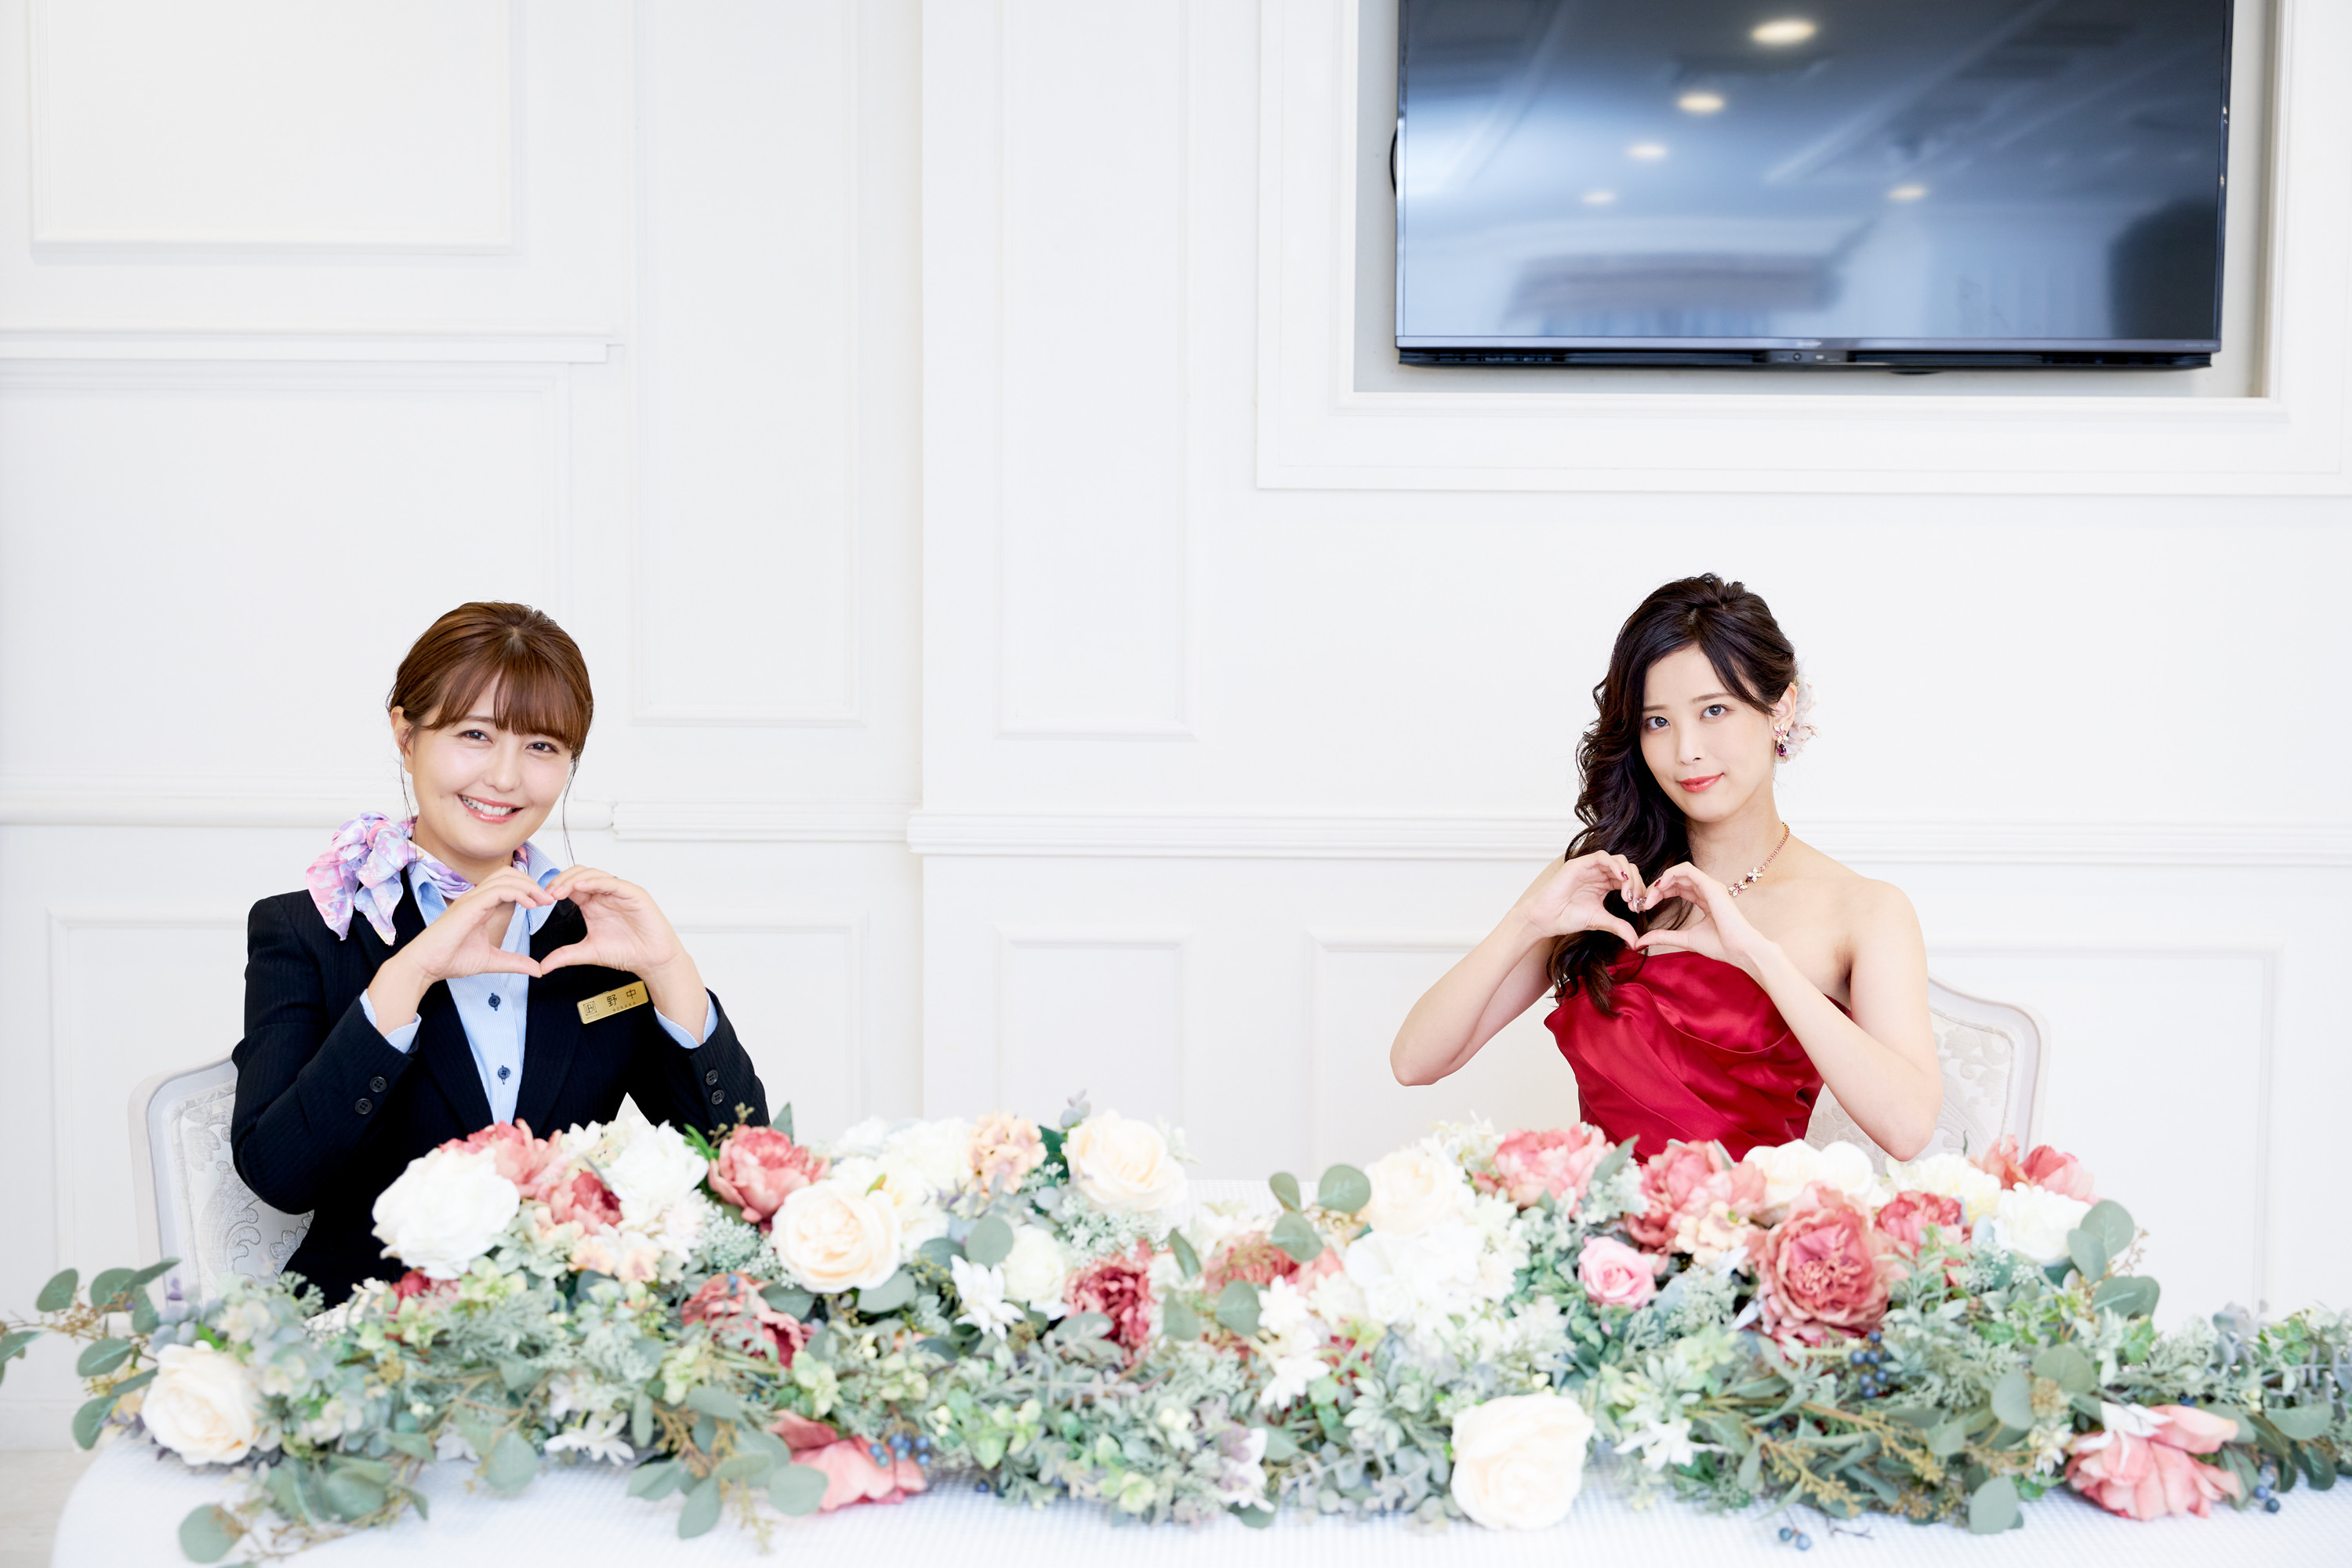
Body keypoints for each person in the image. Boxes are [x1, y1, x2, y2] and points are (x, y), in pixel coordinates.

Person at [231, 602, 768, 1304]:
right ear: (406, 735)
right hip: (368, 1334)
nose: (506, 778)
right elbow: (279, 1175)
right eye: (475, 735)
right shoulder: (310, 929)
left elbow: (740, 1172)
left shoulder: (595, 936)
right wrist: (410, 974)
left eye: (542, 746)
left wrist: (670, 971)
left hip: (568, 1329)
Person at [1389, 574, 1940, 1161]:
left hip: (1748, 1219)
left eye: (1714, 711)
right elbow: (1414, 1063)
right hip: (1598, 1221)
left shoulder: (1864, 909)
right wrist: (1526, 923)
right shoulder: (1601, 881)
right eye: (1658, 722)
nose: (1686, 751)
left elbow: (1907, 1129)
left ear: (1780, 708)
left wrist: (1757, 956)